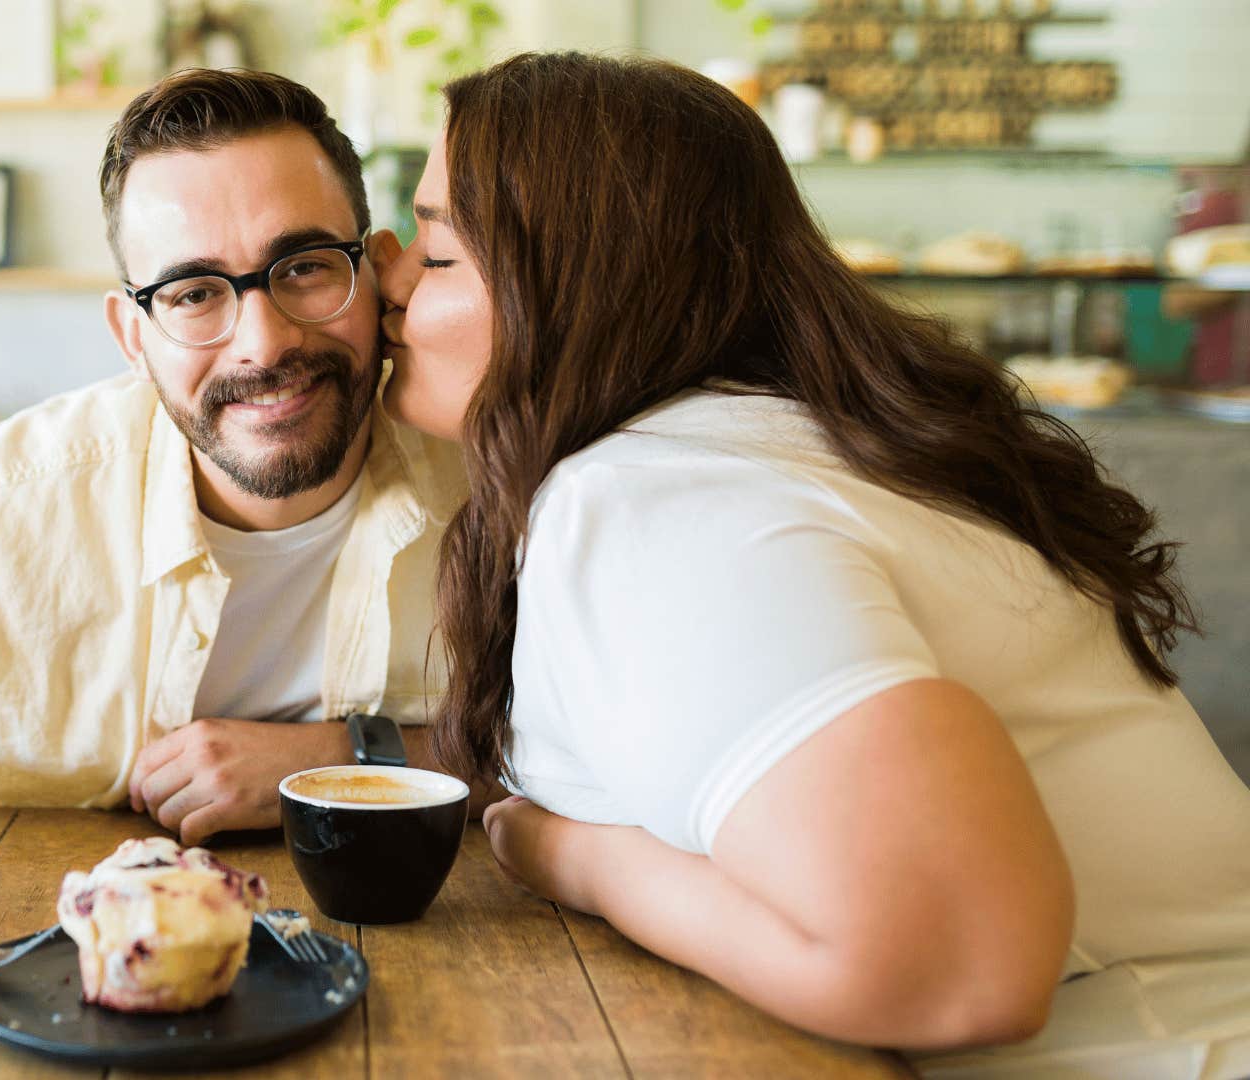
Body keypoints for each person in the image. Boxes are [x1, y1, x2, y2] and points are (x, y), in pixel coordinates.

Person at [373, 51, 1250, 1076]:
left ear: (579, 290)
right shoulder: (758, 445)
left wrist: (580, 859)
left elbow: (963, 964)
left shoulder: (660, 501)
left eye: (436, 257)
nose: (384, 277)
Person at [0, 68, 465, 933]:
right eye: (194, 294)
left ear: (374, 270)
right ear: (131, 335)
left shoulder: (496, 480)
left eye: (302, 268)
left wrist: (347, 757)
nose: (264, 344)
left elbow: (573, 753)